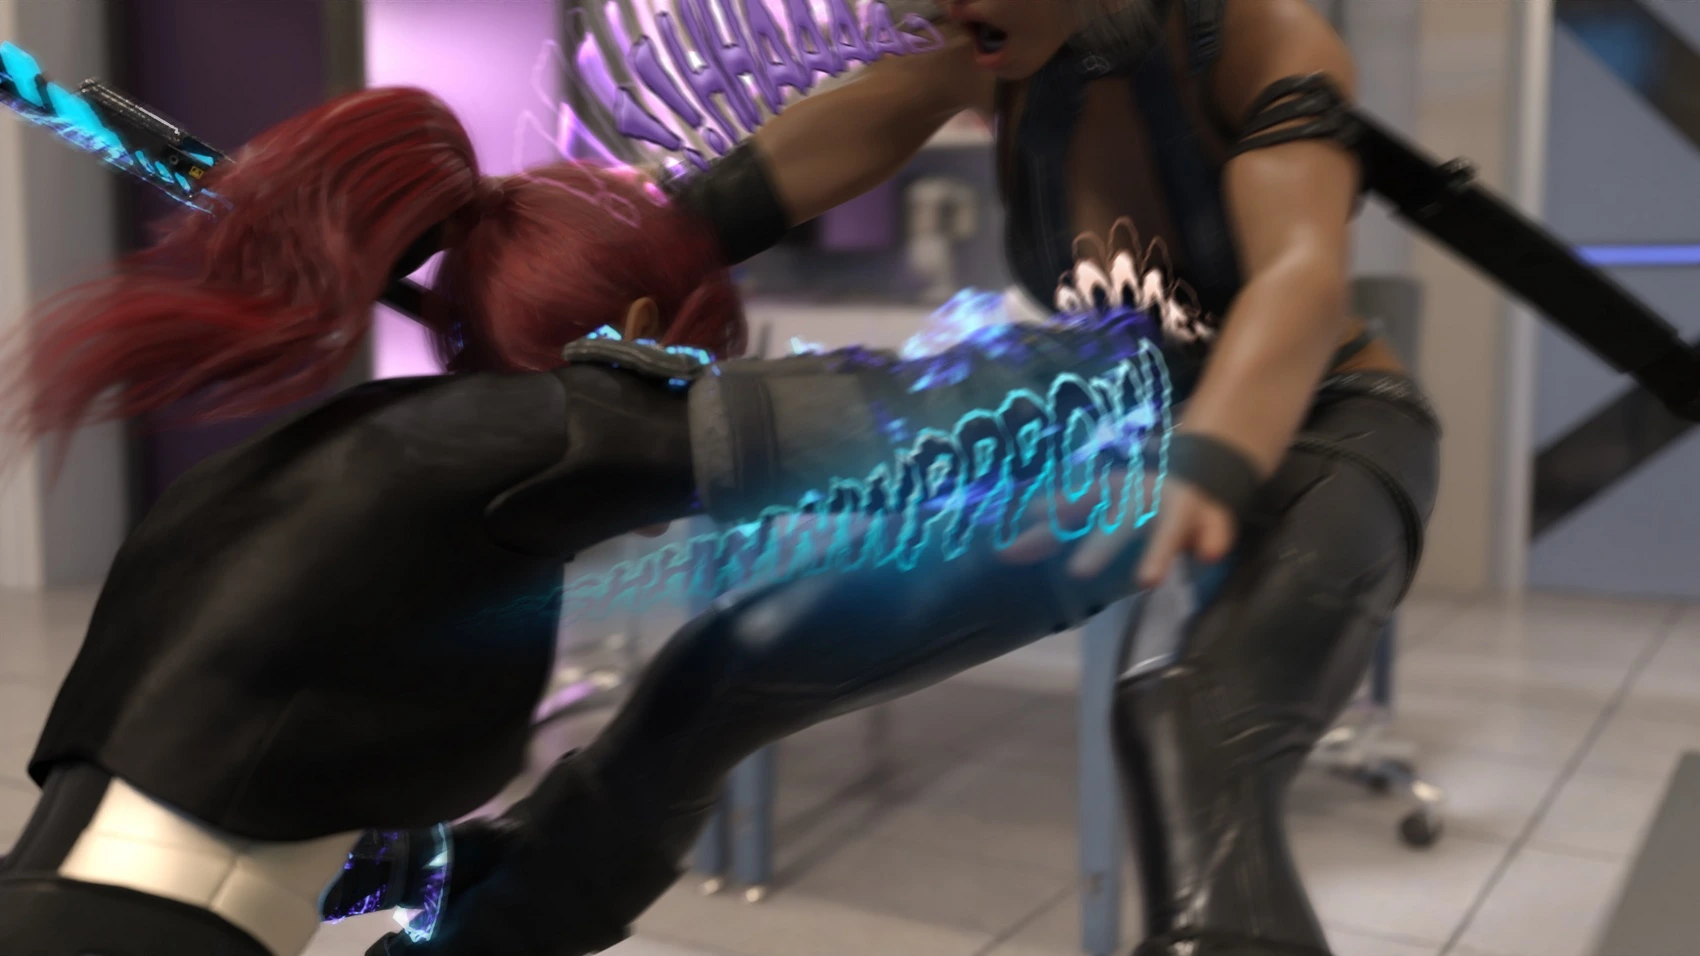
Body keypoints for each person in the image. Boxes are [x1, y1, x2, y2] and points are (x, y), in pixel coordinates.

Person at [355, 1, 1439, 955]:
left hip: (1326, 427)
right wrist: (594, 251)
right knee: (733, 658)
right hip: (1125, 440)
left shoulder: (1253, 36)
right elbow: (784, 170)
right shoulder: (991, 55)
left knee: (1195, 724)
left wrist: (1213, 458)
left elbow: (1299, 277)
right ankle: (493, 908)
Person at [0, 81, 1163, 956]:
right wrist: (1164, 378)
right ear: (640, 337)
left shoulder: (351, 466)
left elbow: (247, 777)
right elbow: (900, 417)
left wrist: (462, 862)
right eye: (703, 359)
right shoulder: (512, 434)